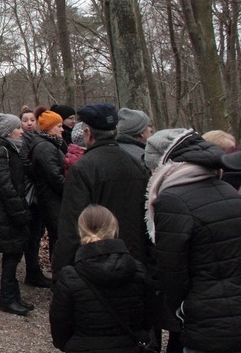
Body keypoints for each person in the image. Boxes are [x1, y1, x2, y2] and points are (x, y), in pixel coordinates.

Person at [145, 129, 241, 352]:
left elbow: (172, 272)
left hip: (205, 322)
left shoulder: (171, 201)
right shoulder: (228, 191)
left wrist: (181, 309)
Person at [52, 103, 149, 279]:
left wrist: (61, 272)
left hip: (95, 264)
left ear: (88, 133)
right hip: (134, 261)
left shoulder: (82, 169)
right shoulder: (137, 164)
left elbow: (71, 225)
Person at [50, 205, 154, 352]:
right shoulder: (138, 271)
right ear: (114, 230)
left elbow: (60, 329)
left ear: (80, 232)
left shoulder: (70, 277)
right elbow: (148, 319)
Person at [0, 113, 33, 316]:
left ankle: (13, 296)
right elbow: (5, 185)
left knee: (14, 253)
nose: (22, 130)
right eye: (18, 128)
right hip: (5, 211)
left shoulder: (12, 149)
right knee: (11, 254)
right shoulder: (0, 151)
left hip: (11, 209)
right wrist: (19, 212)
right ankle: (7, 299)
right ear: (8, 131)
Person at [26, 109, 66, 265]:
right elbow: (54, 177)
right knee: (57, 239)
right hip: (51, 200)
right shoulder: (45, 147)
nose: (62, 129)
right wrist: (71, 188)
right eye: (59, 126)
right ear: (49, 127)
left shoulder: (51, 144)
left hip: (52, 200)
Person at [18, 106, 51, 288]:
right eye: (25, 121)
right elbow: (24, 162)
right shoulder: (23, 140)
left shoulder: (38, 137)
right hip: (29, 194)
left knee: (37, 233)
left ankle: (34, 269)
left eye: (32, 120)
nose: (29, 123)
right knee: (32, 234)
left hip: (37, 193)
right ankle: (32, 271)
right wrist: (38, 174)